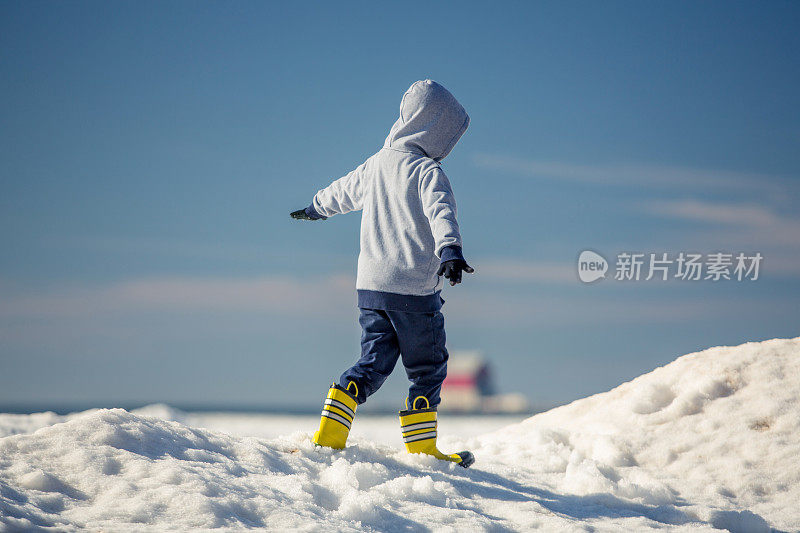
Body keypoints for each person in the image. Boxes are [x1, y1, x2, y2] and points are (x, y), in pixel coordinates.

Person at [290, 79, 474, 467]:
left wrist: (315, 207)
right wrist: (450, 250)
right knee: (427, 366)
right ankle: (423, 450)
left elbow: (343, 190)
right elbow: (441, 212)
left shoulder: (377, 163)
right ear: (436, 130)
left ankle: (331, 434)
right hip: (413, 290)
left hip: (371, 289)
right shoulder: (427, 171)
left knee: (373, 362)